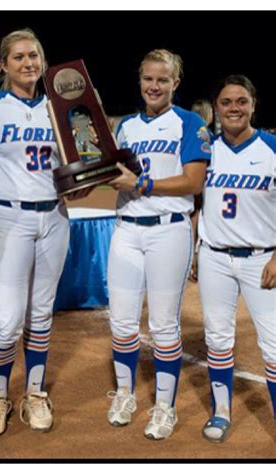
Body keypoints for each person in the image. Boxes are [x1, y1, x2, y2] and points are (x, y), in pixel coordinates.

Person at [0, 29, 88, 437]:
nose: (29, 63)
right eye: (19, 57)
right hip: (9, 217)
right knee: (6, 320)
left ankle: (35, 393)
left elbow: (79, 163)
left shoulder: (62, 107)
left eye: (35, 56)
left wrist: (86, 177)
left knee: (41, 313)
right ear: (3, 64)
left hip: (55, 215)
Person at [106, 49, 211, 440]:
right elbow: (111, 174)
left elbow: (194, 182)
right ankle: (124, 394)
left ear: (175, 84)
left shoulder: (189, 122)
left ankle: (164, 407)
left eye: (163, 80)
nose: (154, 86)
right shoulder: (126, 127)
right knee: (121, 321)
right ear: (140, 80)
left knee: (164, 324)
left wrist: (144, 184)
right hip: (126, 229)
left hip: (169, 230)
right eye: (149, 78)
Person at [197, 74, 276, 443]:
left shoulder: (272, 147)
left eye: (241, 101)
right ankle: (222, 412)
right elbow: (196, 201)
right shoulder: (207, 150)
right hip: (214, 257)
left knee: (274, 343)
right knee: (217, 337)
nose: (234, 108)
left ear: (253, 104)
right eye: (227, 102)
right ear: (217, 108)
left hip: (262, 259)